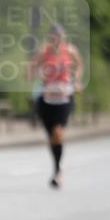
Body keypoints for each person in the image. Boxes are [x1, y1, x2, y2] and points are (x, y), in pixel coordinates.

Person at [30, 23, 84, 188]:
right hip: (46, 98)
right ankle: (57, 166)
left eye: (58, 36)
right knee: (51, 136)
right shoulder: (43, 51)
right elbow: (32, 67)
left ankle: (57, 171)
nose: (55, 40)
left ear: (63, 37)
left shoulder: (70, 50)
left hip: (64, 97)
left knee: (58, 132)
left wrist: (76, 80)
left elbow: (79, 65)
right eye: (52, 36)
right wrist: (35, 73)